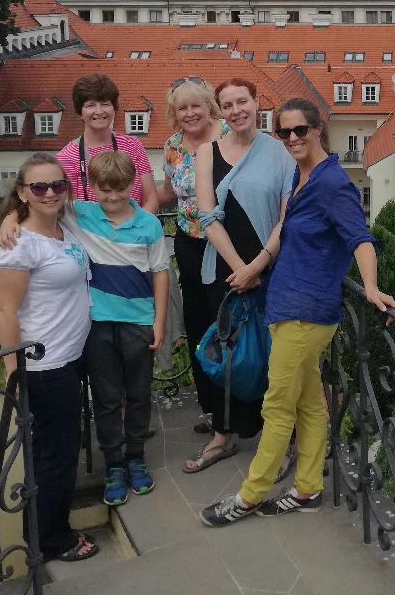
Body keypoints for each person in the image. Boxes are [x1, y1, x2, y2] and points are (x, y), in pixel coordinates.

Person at [200, 98, 395, 527]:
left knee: (277, 406)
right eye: (284, 132)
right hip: (289, 304)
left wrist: (371, 286)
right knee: (309, 405)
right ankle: (308, 489)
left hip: (307, 311)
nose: (292, 139)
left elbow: (359, 237)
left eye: (300, 131)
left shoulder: (332, 183)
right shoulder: (300, 174)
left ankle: (250, 495)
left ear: (318, 128)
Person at [183, 77, 294, 473]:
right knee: (228, 353)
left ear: (256, 101)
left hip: (269, 270)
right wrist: (239, 269)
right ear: (220, 111)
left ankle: (276, 440)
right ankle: (223, 434)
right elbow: (207, 215)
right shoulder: (205, 153)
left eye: (242, 101)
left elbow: (286, 217)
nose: (236, 111)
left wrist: (257, 265)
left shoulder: (281, 153)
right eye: (227, 105)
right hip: (224, 271)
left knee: (272, 357)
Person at [0, 154, 97, 562]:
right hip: (43, 366)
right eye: (39, 187)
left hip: (68, 359)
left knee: (60, 451)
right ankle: (52, 540)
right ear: (23, 193)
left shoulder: (63, 228)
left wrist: (10, 216)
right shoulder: (18, 244)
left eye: (57, 185)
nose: (50, 192)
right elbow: (7, 313)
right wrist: (14, 376)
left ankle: (48, 531)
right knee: (55, 457)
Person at [73, 151, 170, 507]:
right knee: (107, 398)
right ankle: (114, 464)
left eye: (120, 189)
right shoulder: (80, 214)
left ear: (132, 185)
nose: (112, 197)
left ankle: (135, 458)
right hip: (96, 323)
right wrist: (9, 222)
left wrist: (159, 321)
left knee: (139, 394)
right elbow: (35, 206)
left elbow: (160, 272)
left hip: (138, 321)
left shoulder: (148, 224)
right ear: (91, 187)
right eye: (104, 190)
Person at [159, 76, 224, 434]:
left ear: (208, 106)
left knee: (230, 321)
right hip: (190, 243)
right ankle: (212, 406)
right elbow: (169, 192)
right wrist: (122, 210)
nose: (189, 113)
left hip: (229, 244)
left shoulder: (230, 134)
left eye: (195, 105)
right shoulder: (172, 146)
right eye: (182, 108)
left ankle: (242, 404)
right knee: (199, 323)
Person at [59, 73, 159, 213]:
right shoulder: (67, 157)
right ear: (80, 112)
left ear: (114, 108)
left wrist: (136, 229)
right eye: (90, 105)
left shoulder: (132, 145)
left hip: (135, 230)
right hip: (91, 233)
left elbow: (150, 198)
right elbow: (68, 210)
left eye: (105, 104)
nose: (99, 111)